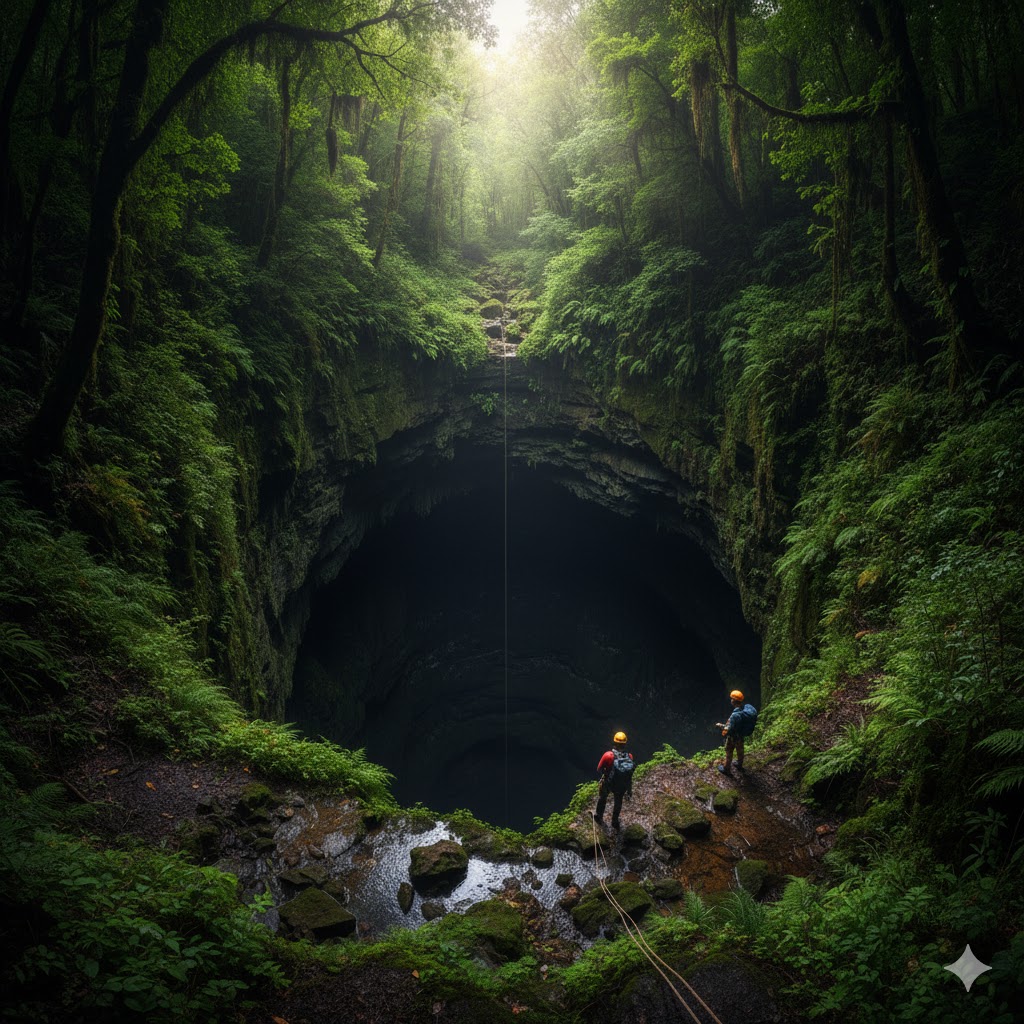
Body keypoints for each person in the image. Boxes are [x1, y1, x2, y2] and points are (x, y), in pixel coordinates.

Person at [594, 730, 634, 829]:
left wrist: (606, 774)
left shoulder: (608, 755)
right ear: (625, 744)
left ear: (614, 742)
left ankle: (599, 816)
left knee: (603, 798)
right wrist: (629, 790)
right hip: (621, 785)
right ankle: (614, 822)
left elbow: (599, 769)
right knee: (618, 802)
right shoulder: (629, 756)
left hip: (609, 782)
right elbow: (629, 774)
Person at [717, 690, 757, 775]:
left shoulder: (735, 715)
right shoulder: (745, 709)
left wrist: (720, 726)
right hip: (741, 735)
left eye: (731, 699)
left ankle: (726, 769)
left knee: (729, 751)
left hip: (733, 737)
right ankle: (739, 764)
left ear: (733, 701)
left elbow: (729, 729)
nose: (731, 700)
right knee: (740, 749)